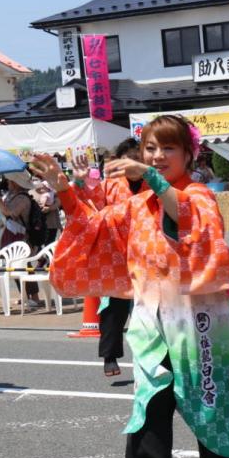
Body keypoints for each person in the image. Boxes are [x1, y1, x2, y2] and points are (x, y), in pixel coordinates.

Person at [34, 114, 229, 458]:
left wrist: (151, 177)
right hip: (155, 325)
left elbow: (188, 215)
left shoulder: (197, 196)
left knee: (215, 411)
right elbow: (91, 225)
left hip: (203, 325)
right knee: (151, 417)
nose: (157, 156)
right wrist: (65, 189)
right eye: (150, 149)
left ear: (189, 154)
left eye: (168, 149)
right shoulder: (135, 208)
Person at [72, 141, 144, 377]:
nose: (130, 165)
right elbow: (91, 199)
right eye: (126, 160)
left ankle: (157, 358)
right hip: (117, 257)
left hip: (149, 257)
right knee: (113, 309)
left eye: (135, 160)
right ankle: (110, 355)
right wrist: (81, 181)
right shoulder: (112, 186)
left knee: (151, 312)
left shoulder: (155, 185)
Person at [0, 174, 39, 308]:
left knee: (24, 265)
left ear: (16, 183)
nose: (8, 183)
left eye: (10, 181)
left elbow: (10, 213)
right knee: (14, 265)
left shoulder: (22, 198)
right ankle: (24, 296)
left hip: (21, 236)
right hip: (11, 235)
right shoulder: (11, 196)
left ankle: (34, 297)